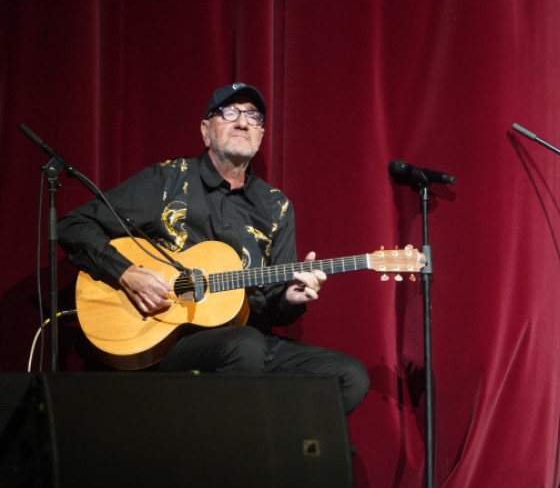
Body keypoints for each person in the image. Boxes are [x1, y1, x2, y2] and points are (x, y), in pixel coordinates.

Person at [59, 82, 369, 414]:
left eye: (253, 115)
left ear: (261, 135)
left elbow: (275, 307)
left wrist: (291, 298)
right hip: (166, 338)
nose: (242, 122)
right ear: (206, 131)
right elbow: (73, 226)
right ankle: (230, 458)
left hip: (246, 338)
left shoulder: (276, 206)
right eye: (230, 112)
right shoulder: (169, 180)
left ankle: (278, 457)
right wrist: (125, 273)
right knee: (245, 346)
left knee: (348, 375)